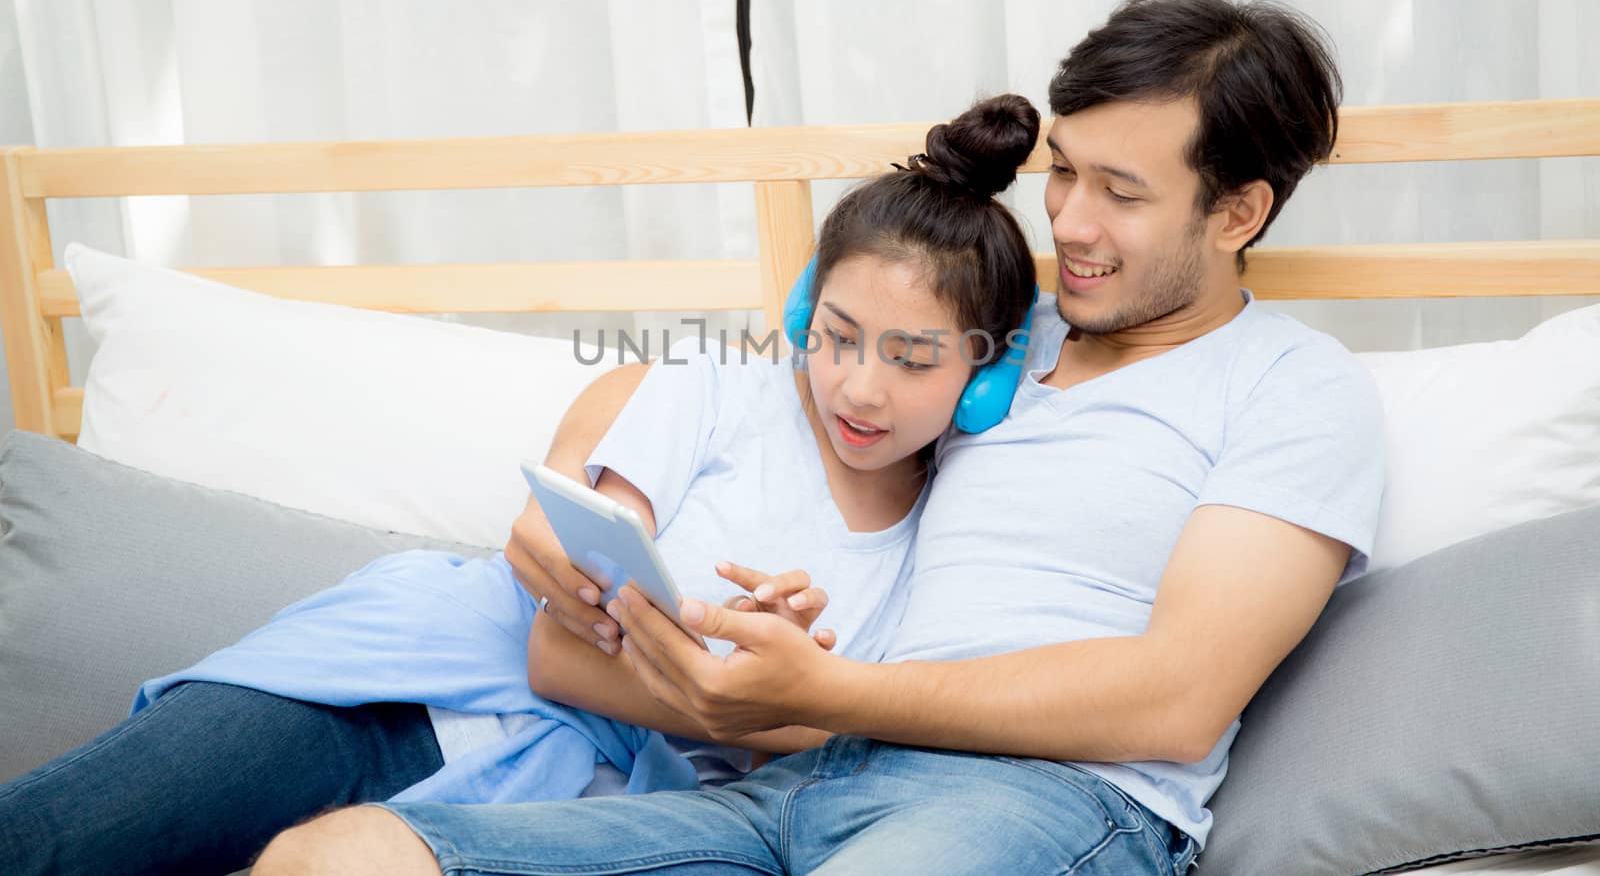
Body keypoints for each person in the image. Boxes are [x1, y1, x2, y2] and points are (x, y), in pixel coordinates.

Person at [254, 0, 1386, 876]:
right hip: (803, 779)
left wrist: (823, 691)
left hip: (1050, 801)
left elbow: (1176, 697)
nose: (1070, 223)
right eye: (1062, 173)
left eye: (1122, 194)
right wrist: (579, 486)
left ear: (1237, 210)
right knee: (334, 854)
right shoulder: (977, 325)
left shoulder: (1293, 387)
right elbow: (733, 378)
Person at [0, 97, 1042, 876]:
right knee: (53, 839)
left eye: (912, 357)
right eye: (837, 337)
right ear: (804, 309)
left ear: (984, 374)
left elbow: (829, 738)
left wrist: (773, 685)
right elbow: (559, 642)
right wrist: (740, 685)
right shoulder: (720, 383)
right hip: (402, 677)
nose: (859, 385)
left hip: (567, 798)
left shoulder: (952, 547)